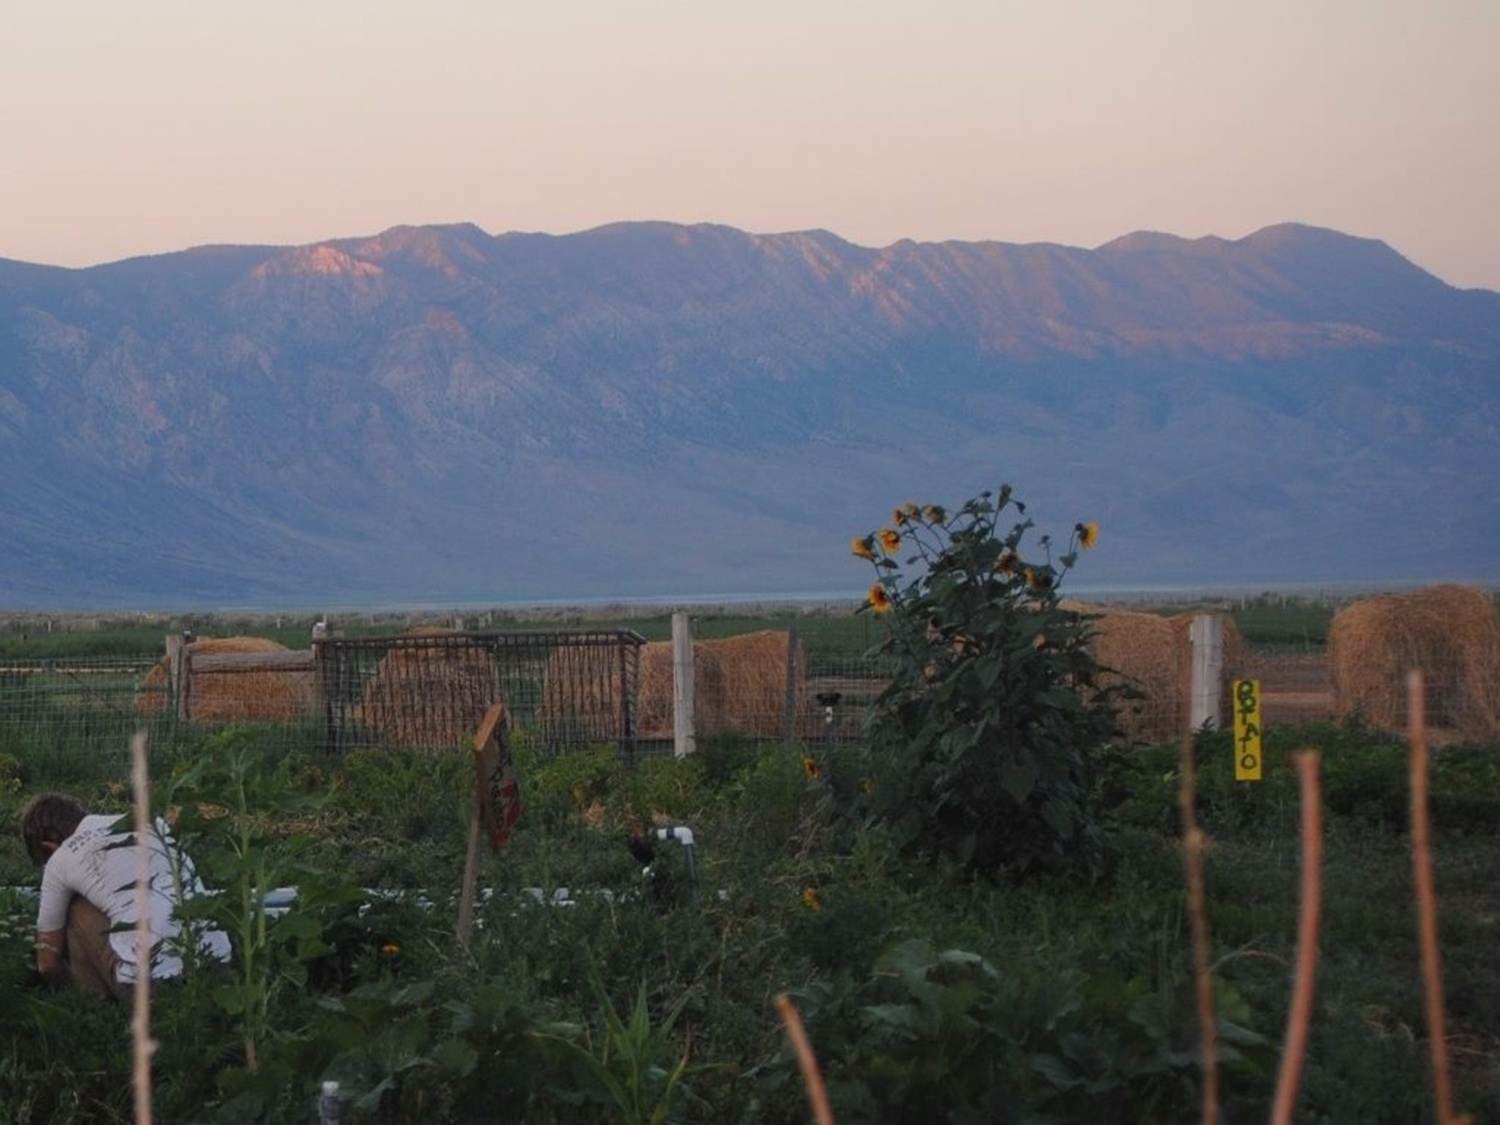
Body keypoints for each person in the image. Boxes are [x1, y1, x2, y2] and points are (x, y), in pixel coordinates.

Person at [21, 792, 232, 999]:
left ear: (48, 846)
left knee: (76, 906)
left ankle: (94, 1004)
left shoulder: (61, 858)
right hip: (219, 965)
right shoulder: (150, 822)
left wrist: (64, 982)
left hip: (149, 984)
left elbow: (47, 964)